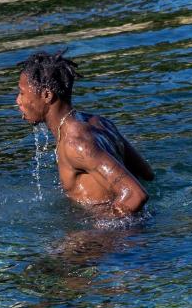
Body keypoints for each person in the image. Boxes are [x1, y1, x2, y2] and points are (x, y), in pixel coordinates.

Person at [15, 50, 154, 217]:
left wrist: (99, 230)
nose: (18, 100)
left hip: (114, 238)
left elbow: (135, 194)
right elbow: (146, 173)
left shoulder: (75, 143)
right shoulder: (99, 122)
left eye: (22, 93)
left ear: (46, 95)